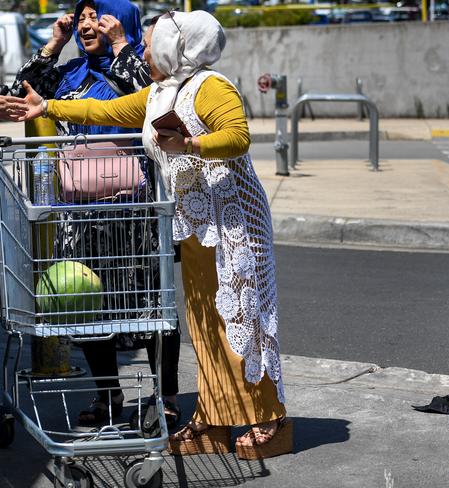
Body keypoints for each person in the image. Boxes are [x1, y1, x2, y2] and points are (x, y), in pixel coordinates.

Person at [18, 10, 290, 459]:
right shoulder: (161, 92)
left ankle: (270, 418)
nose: (144, 52)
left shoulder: (211, 86)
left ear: (174, 48)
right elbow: (105, 110)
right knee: (206, 323)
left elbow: (238, 136)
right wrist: (47, 107)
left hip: (235, 222)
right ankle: (215, 418)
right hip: (198, 222)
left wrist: (192, 144)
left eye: (150, 44)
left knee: (244, 319)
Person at [12, 0, 181, 428]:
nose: (87, 25)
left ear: (119, 21)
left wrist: (123, 44)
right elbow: (21, 94)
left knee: (150, 304)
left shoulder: (144, 63)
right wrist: (54, 43)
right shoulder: (69, 72)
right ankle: (108, 395)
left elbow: (153, 98)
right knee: (86, 304)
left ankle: (165, 397)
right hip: (80, 209)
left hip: (136, 207)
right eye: (82, 17)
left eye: (96, 17)